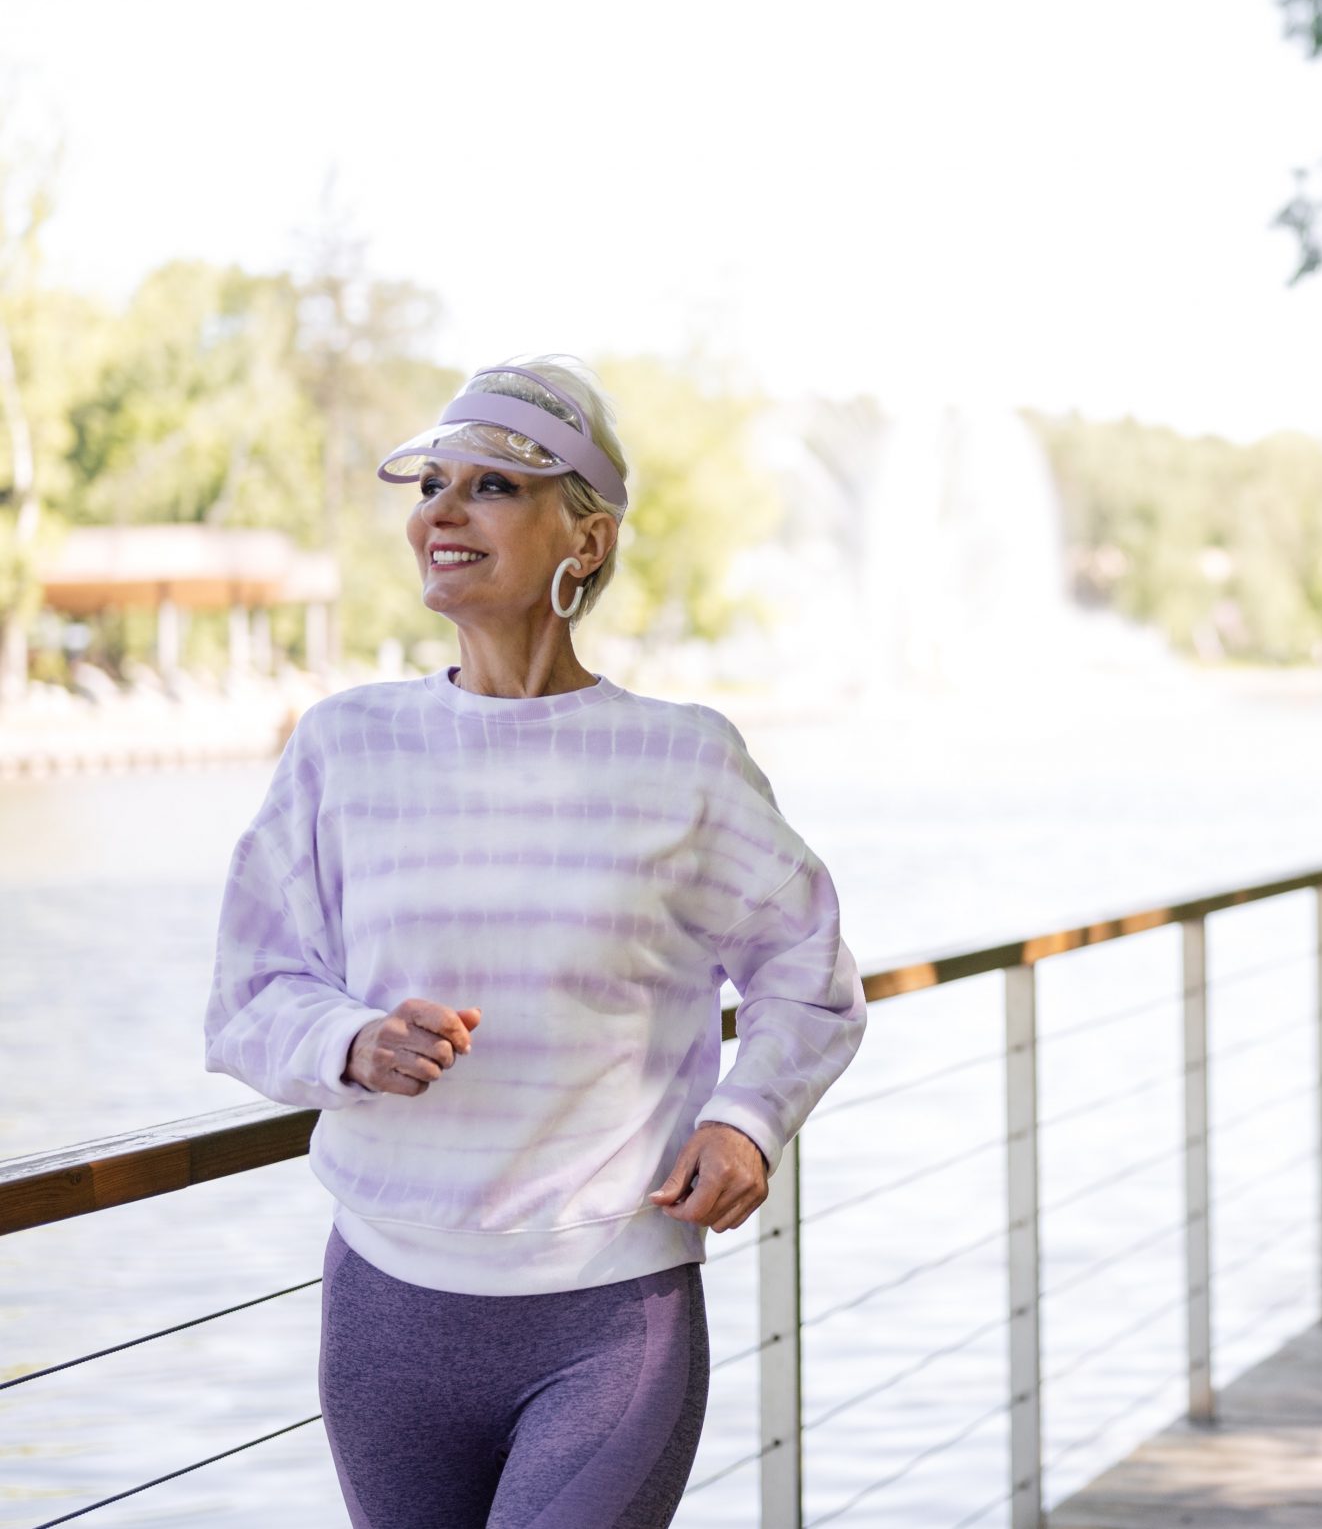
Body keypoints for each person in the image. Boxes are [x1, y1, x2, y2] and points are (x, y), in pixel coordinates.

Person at [202, 356, 868, 1528]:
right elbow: (251, 988)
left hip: (609, 1316)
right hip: (386, 1310)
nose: (441, 513)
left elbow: (804, 973)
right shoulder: (346, 746)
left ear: (587, 539)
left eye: (494, 486)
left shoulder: (682, 759)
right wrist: (353, 1039)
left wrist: (746, 1117)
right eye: (431, 484)